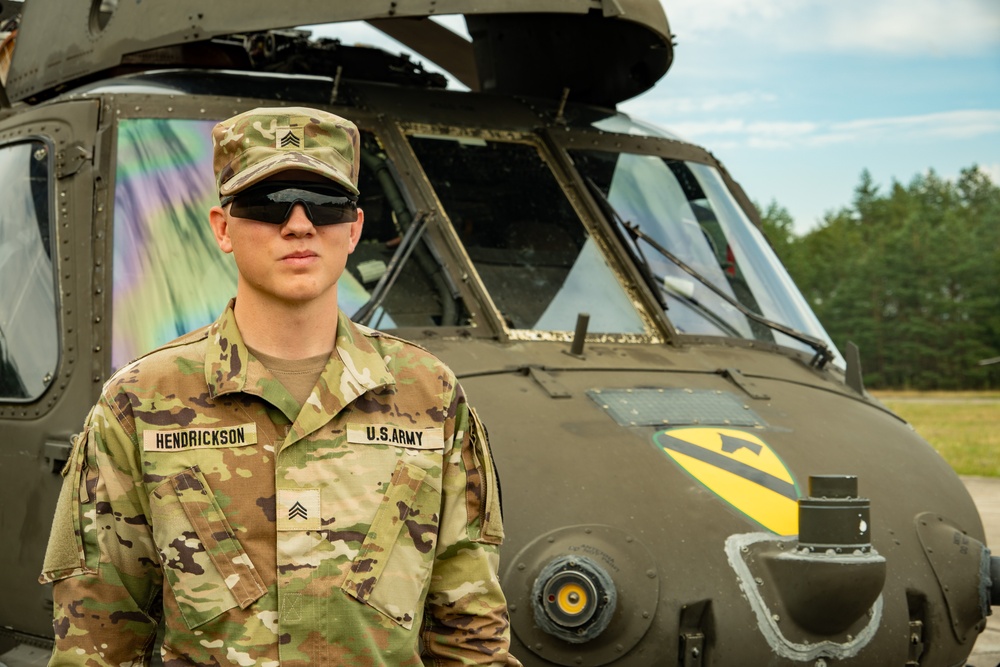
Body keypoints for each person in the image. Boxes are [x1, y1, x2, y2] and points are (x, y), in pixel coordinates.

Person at [40, 106, 521, 666]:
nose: (299, 224)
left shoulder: (428, 394)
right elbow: (98, 637)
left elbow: (471, 634)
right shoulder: (141, 401)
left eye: (324, 204)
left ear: (355, 227)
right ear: (223, 227)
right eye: (267, 204)